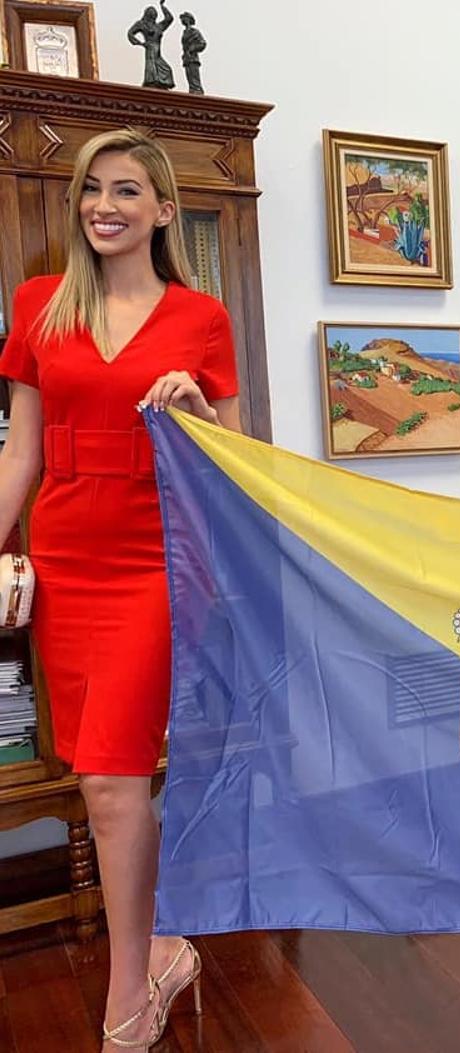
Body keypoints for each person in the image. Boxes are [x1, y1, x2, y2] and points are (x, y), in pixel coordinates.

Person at [0, 129, 240, 1048]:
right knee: (101, 777)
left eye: (127, 190)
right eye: (93, 188)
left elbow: (240, 460)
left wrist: (194, 416)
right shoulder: (39, 305)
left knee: (110, 779)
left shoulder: (199, 319)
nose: (105, 204)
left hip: (153, 562)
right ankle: (163, 952)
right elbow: (20, 452)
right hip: (63, 559)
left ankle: (127, 1000)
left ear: (163, 212)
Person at [127, 2, 175, 90]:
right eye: (151, 12)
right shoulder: (141, 24)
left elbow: (170, 18)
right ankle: (151, 82)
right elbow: (130, 33)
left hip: (158, 50)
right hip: (150, 48)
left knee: (167, 69)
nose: (153, 14)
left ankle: (161, 83)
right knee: (151, 65)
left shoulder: (159, 26)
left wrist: (162, 6)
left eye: (154, 13)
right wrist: (140, 43)